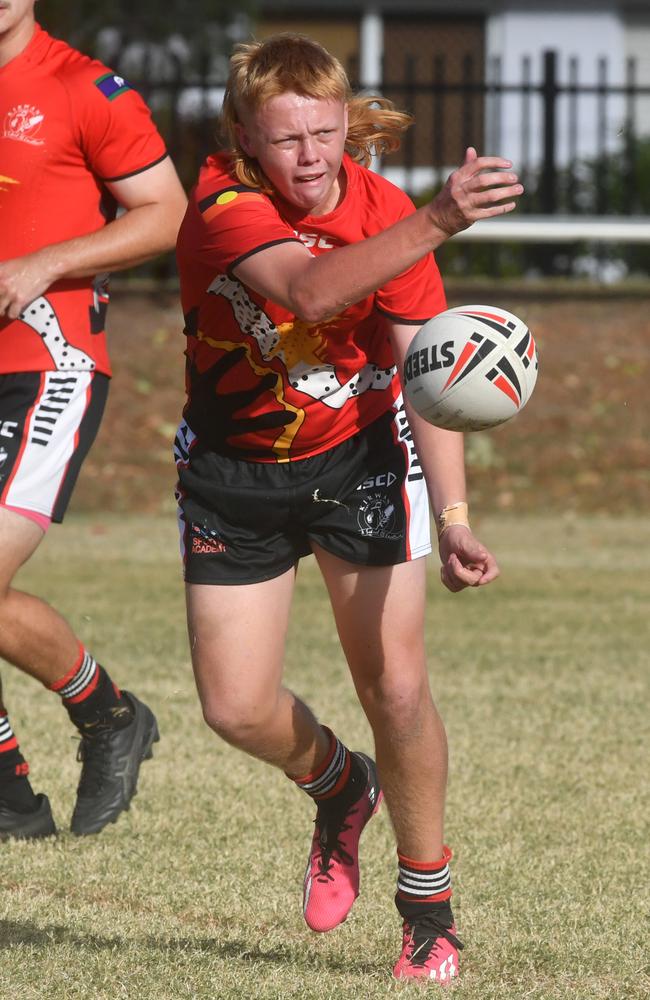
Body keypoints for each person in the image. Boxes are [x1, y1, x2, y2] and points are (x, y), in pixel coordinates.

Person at [174, 34, 522, 983]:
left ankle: (430, 910)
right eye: (287, 139)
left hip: (360, 461)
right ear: (246, 136)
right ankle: (340, 786)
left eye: (325, 133)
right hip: (233, 472)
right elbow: (313, 287)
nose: (312, 157)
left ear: (344, 125)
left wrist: (454, 519)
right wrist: (443, 218)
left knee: (398, 688)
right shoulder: (222, 203)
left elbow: (433, 378)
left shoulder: (386, 210)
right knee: (236, 708)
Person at [0, 1, 187, 840]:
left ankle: (108, 717)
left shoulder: (84, 87)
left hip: (47, 366)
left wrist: (50, 260)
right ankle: (12, 801)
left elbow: (166, 212)